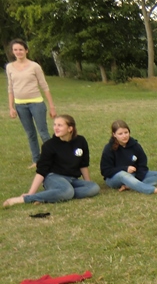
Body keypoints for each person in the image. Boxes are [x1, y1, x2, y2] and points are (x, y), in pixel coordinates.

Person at [3, 114, 100, 207]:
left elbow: (83, 164)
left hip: (72, 179)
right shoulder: (49, 145)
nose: (56, 128)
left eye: (60, 125)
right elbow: (41, 171)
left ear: (70, 128)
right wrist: (30, 193)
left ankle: (52, 195)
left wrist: (87, 183)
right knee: (67, 191)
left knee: (94, 188)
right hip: (53, 177)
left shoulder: (80, 141)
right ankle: (26, 199)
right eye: (54, 125)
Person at [6, 39, 57, 168]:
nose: (18, 52)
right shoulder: (9, 67)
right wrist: (11, 107)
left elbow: (44, 86)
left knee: (43, 132)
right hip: (20, 105)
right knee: (30, 134)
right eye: (15, 50)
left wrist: (52, 107)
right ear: (12, 52)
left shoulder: (34, 66)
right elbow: (10, 88)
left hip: (36, 104)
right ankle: (36, 160)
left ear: (26, 51)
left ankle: (53, 159)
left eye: (21, 49)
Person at [100, 120, 157, 195]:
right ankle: (152, 190)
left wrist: (138, 177)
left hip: (134, 174)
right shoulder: (109, 148)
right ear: (114, 135)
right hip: (115, 178)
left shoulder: (135, 145)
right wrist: (125, 169)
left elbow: (142, 164)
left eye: (126, 132)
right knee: (122, 174)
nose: (124, 136)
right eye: (120, 134)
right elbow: (105, 171)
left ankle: (131, 185)